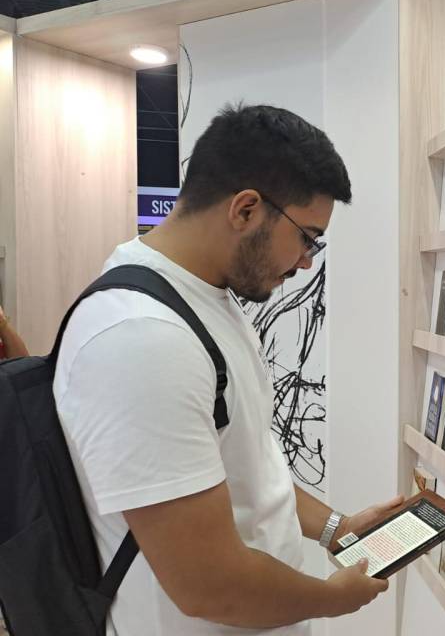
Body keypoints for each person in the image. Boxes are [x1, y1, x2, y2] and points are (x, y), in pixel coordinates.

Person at [53, 104, 400, 634]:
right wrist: (333, 600)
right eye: (307, 237)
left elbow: (250, 468)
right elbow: (208, 585)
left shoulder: (209, 298)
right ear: (245, 210)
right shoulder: (143, 338)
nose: (308, 261)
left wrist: (338, 529)